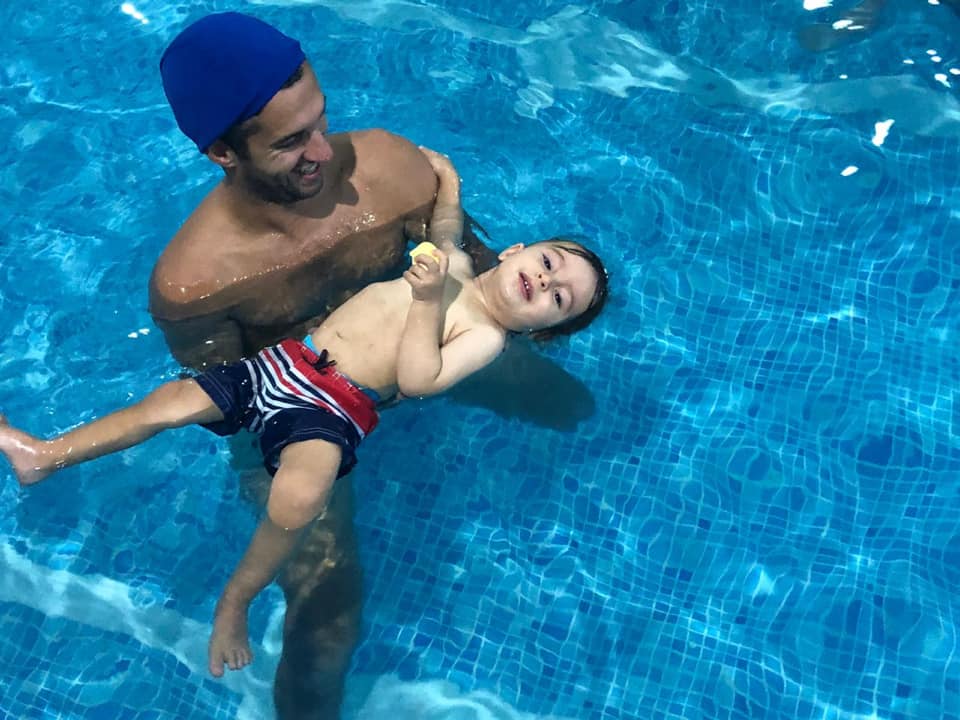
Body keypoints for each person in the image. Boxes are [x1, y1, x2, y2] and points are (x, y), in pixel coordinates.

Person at [0, 147, 608, 697]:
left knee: (299, 498)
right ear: (515, 250)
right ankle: (43, 454)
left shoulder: (486, 337)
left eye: (559, 298)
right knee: (169, 402)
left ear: (542, 333)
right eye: (550, 262)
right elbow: (447, 228)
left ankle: (236, 600)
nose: (546, 280)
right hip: (288, 362)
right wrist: (449, 184)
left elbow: (420, 379)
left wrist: (426, 302)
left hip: (334, 406)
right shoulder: (450, 261)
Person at [146, 11, 595, 718]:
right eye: (291, 143)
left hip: (434, 333)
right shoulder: (194, 284)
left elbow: (473, 269)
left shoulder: (388, 168)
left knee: (571, 408)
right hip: (301, 410)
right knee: (327, 613)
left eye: (321, 122)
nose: (324, 154)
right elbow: (233, 405)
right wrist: (327, 430)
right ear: (223, 153)